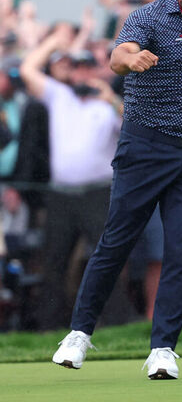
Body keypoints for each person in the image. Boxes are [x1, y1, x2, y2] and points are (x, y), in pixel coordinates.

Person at [50, 0, 182, 380]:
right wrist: (130, 60)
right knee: (116, 243)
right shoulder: (149, 16)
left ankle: (163, 350)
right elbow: (120, 53)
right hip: (146, 148)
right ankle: (79, 335)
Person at [20, 29, 125, 331]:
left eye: (86, 67)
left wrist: (110, 99)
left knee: (108, 261)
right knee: (54, 263)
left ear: (95, 71)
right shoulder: (60, 96)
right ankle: (50, 328)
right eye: (75, 68)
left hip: (98, 193)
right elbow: (28, 69)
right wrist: (54, 40)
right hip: (62, 195)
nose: (81, 74)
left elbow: (136, 127)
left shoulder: (108, 103)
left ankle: (117, 324)